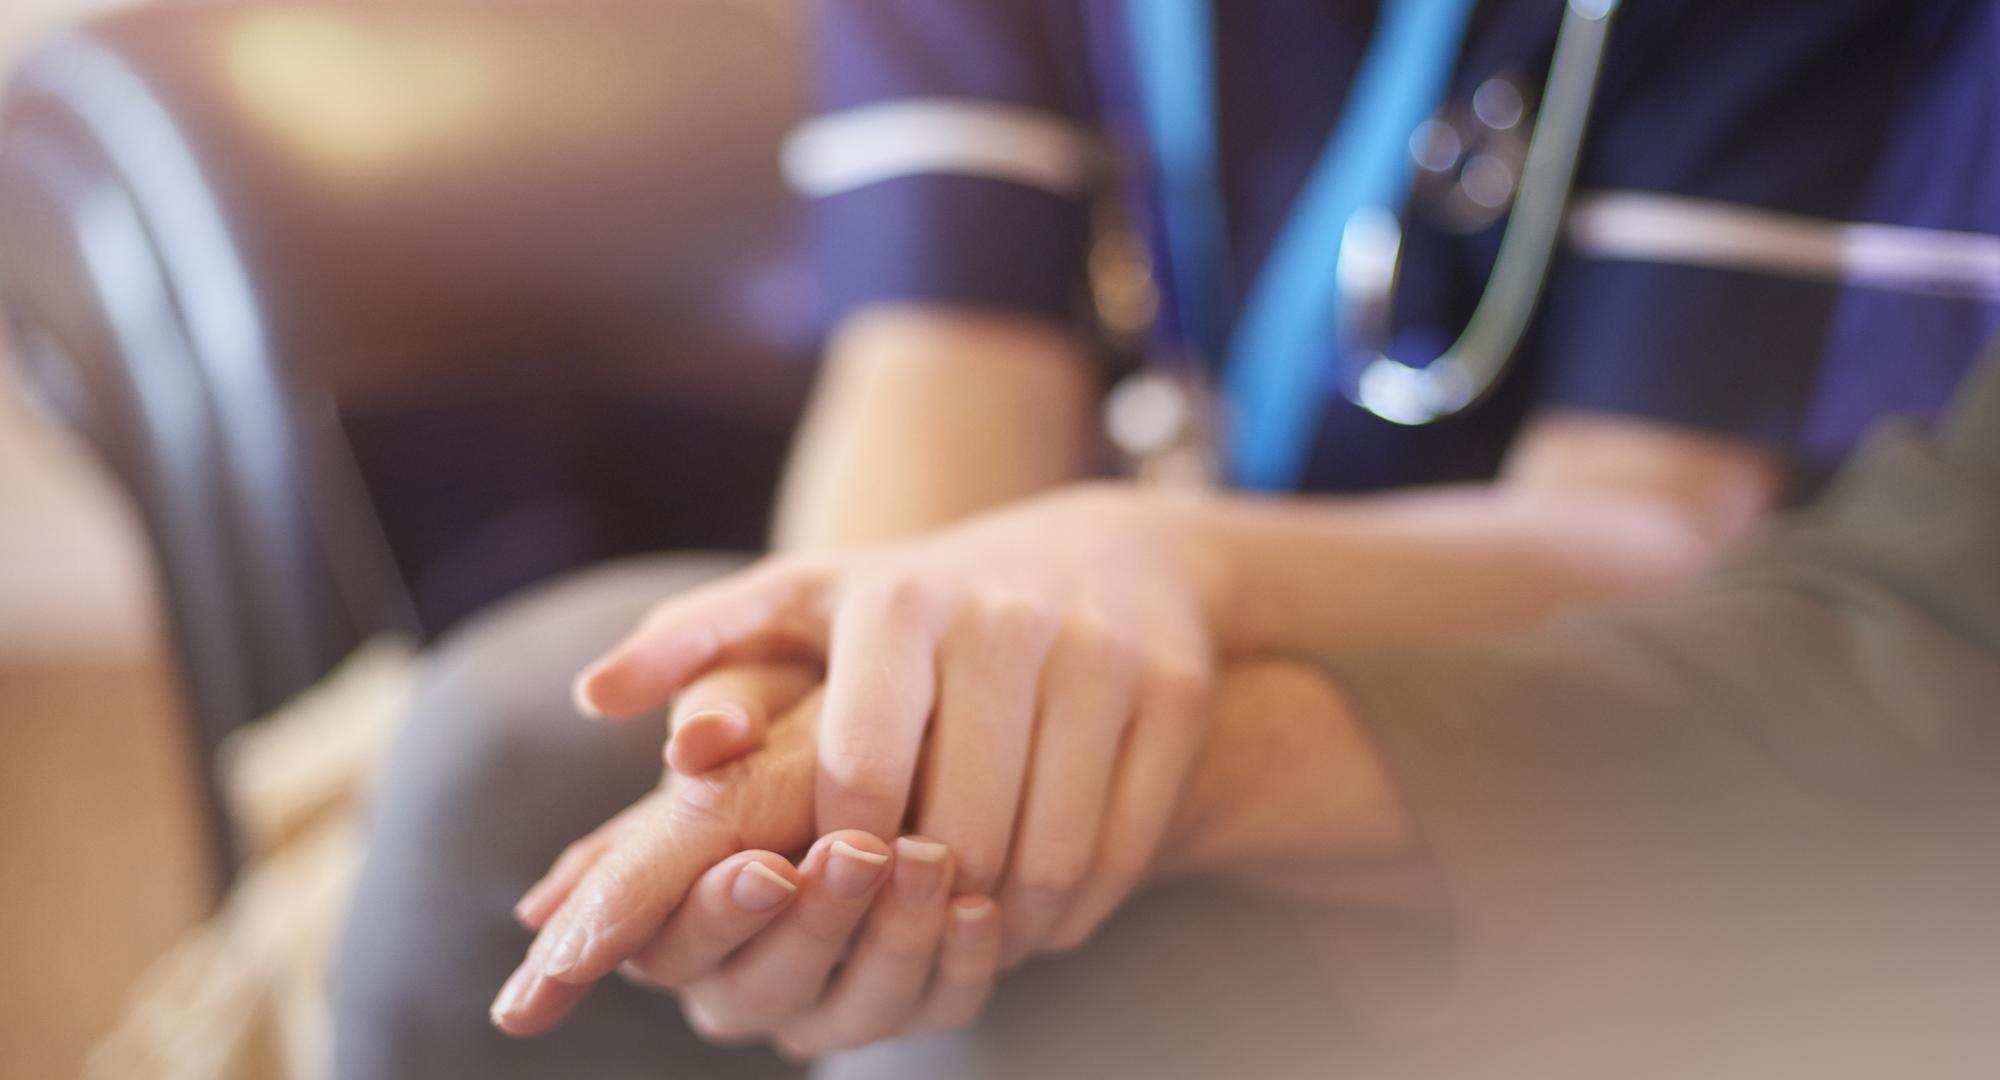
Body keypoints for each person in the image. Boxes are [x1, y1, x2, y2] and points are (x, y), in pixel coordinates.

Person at [330, 0, 1996, 1076]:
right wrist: (841, 720)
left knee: (996, 1016)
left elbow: (1661, 527)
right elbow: (945, 345)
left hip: (1572, 663)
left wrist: (1161, 567)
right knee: (502, 742)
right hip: (1130, 565)